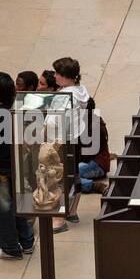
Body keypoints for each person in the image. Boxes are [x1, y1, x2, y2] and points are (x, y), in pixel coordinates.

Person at [0, 71, 34, 259]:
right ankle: (27, 242)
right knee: (18, 205)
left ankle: (10, 248)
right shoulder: (18, 109)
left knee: (3, 208)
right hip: (17, 165)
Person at [50, 57, 93, 231]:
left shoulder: (63, 96)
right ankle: (72, 211)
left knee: (58, 179)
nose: (54, 76)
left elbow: (53, 122)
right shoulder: (81, 90)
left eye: (57, 73)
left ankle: (59, 219)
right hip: (74, 139)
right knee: (73, 175)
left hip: (61, 141)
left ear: (65, 76)